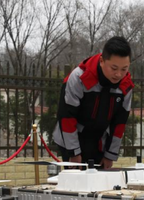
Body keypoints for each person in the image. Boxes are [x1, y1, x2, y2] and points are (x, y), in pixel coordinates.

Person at [53, 37, 133, 169]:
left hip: (100, 140)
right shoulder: (79, 78)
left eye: (124, 69)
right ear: (102, 61)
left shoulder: (126, 86)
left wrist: (110, 155)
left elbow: (119, 123)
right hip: (73, 137)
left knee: (101, 183)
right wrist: (73, 152)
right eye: (114, 68)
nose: (118, 74)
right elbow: (66, 117)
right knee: (76, 183)